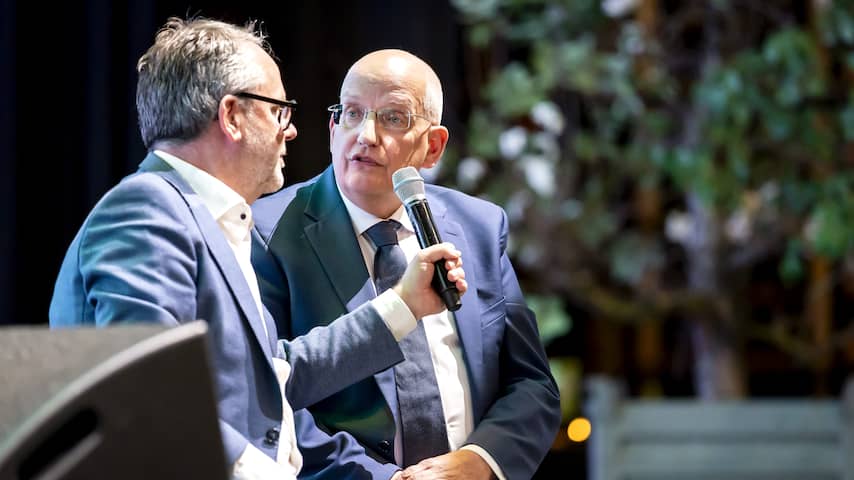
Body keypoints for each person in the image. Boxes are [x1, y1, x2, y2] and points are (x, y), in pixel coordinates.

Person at [48, 21, 467, 480]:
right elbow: (148, 388)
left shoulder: (211, 220)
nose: (291, 131)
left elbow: (274, 374)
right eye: (278, 111)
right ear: (232, 116)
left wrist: (403, 305)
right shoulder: (147, 207)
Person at [251, 49, 561, 480]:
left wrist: (480, 460)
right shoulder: (266, 232)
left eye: (393, 118)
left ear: (433, 146)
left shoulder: (478, 226)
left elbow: (531, 384)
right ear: (332, 129)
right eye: (352, 114)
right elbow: (265, 396)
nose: (366, 135)